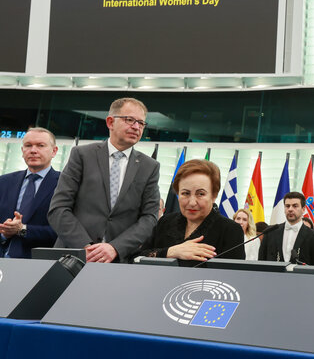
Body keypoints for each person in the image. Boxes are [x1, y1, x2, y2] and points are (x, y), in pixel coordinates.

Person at [49, 98, 161, 263]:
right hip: (73, 256)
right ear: (110, 122)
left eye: (141, 123)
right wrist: (86, 247)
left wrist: (115, 247)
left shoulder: (149, 166)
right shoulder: (81, 155)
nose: (136, 127)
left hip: (118, 261)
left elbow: (150, 217)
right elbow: (58, 208)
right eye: (129, 120)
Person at [135, 160, 244, 266]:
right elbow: (137, 259)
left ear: (214, 195)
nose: (192, 202)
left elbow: (234, 277)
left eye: (200, 194)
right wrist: (170, 252)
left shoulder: (230, 230)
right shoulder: (165, 222)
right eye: (185, 193)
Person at [0, 128, 60, 258]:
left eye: (40, 145)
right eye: (28, 145)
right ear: (22, 151)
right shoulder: (4, 182)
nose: (33, 150)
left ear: (54, 151)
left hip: (36, 265)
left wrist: (22, 229)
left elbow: (63, 231)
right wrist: (4, 233)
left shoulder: (64, 184)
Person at [258, 191, 314, 265]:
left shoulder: (313, 236)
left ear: (303, 209)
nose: (290, 209)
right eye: (287, 206)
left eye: (295, 206)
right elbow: (261, 261)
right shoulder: (271, 232)